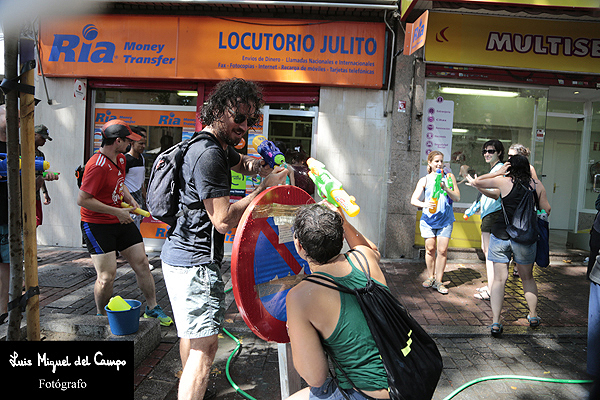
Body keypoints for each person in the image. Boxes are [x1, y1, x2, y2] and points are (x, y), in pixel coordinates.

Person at [159, 78, 287, 400]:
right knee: (206, 349)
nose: (244, 126)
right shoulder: (209, 156)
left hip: (180, 256)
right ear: (217, 110)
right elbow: (223, 220)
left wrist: (260, 166)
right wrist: (264, 188)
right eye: (238, 117)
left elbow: (241, 162)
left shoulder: (213, 145)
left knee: (191, 337)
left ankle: (188, 384)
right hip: (195, 263)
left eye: (249, 119)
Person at [286, 202, 389, 400]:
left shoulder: (300, 296)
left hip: (365, 394)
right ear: (342, 237)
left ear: (299, 246)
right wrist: (343, 220)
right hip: (405, 377)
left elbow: (315, 378)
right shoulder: (366, 258)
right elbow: (370, 248)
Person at [77, 119, 173, 326]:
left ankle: (152, 308)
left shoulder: (120, 159)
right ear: (117, 141)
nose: (130, 144)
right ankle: (101, 316)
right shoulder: (96, 166)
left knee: (142, 263)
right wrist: (116, 212)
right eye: (128, 141)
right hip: (97, 224)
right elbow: (83, 199)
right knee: (106, 276)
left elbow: (120, 184)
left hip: (120, 218)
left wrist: (128, 198)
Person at [472, 154, 551, 336]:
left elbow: (477, 183)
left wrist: (498, 172)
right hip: (525, 236)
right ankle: (532, 315)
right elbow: (546, 209)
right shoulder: (536, 185)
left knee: (500, 280)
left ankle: (496, 322)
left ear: (509, 168)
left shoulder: (503, 181)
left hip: (501, 234)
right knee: (527, 278)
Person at [0, 106, 59, 324]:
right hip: (12, 207)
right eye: (43, 137)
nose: (44, 141)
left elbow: (35, 179)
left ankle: (6, 308)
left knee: (12, 256)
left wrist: (44, 187)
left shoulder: (32, 152)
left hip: (20, 207)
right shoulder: (19, 149)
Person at [410, 150, 460, 294]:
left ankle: (439, 281)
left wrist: (446, 188)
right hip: (428, 220)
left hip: (445, 220)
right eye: (436, 161)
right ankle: (431, 276)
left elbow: (457, 197)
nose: (439, 164)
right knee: (430, 249)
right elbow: (413, 200)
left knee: (442, 250)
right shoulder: (424, 180)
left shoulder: (449, 177)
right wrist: (425, 205)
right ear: (430, 163)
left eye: (441, 161)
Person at [466, 139, 505, 301]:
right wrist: (472, 209)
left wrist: (476, 185)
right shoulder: (494, 169)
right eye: (485, 151)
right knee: (488, 251)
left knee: (489, 253)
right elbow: (484, 195)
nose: (487, 154)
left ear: (499, 153)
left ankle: (491, 290)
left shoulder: (500, 169)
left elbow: (495, 193)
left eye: (491, 151)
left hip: (493, 214)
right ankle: (491, 286)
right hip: (489, 214)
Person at [124, 126, 147, 228]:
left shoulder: (142, 159)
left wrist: (145, 198)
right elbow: (120, 183)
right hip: (128, 202)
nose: (143, 146)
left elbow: (141, 182)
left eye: (144, 143)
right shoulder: (126, 160)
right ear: (132, 143)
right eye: (140, 143)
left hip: (139, 202)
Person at [34, 124, 54, 227]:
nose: (44, 141)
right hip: (24, 195)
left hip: (36, 194)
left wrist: (45, 192)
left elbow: (41, 175)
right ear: (34, 135)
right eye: (42, 138)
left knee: (36, 222)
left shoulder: (40, 154)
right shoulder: (22, 150)